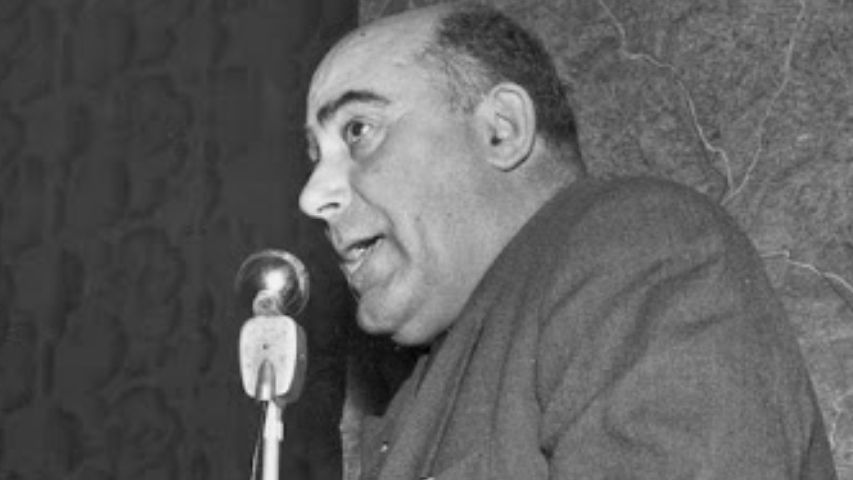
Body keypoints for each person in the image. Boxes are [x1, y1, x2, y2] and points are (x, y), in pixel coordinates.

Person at [298, 2, 838, 479]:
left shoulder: (635, 242)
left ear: (502, 129)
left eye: (358, 130)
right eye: (315, 156)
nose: (313, 194)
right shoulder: (424, 387)